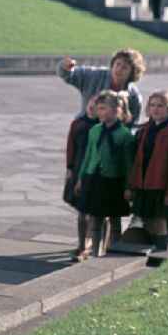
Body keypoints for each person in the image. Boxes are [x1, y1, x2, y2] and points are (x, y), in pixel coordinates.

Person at [74, 90, 135, 257]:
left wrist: (128, 187)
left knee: (114, 219)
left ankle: (114, 251)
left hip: (113, 181)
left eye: (103, 108)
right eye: (98, 108)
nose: (99, 112)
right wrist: (81, 178)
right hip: (93, 179)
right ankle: (96, 252)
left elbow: (129, 165)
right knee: (96, 218)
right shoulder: (94, 130)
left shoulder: (125, 135)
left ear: (116, 110)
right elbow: (88, 155)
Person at [126, 89, 168, 252]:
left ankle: (160, 256)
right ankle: (146, 254)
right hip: (142, 184)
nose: (156, 109)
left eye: (161, 106)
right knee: (145, 222)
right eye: (152, 105)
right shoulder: (144, 130)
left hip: (159, 188)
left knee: (159, 224)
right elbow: (136, 161)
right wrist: (131, 186)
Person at [57, 49, 145, 126]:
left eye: (124, 68)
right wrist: (65, 68)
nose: (119, 69)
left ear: (132, 73)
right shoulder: (95, 76)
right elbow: (69, 76)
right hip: (85, 128)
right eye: (117, 64)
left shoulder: (134, 97)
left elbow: (132, 126)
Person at [63, 87, 99, 260]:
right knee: (81, 210)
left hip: (95, 173)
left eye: (97, 104)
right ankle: (82, 245)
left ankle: (92, 243)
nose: (92, 106)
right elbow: (71, 147)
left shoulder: (100, 126)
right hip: (78, 170)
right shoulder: (78, 123)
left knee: (95, 212)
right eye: (91, 103)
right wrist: (69, 169)